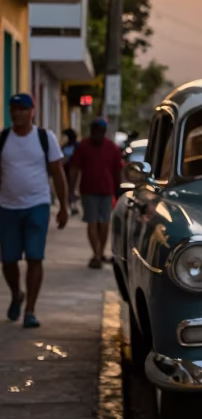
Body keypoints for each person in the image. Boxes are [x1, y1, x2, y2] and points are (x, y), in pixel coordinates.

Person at [1, 94, 69, 328]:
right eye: (14, 109)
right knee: (9, 261)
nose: (17, 113)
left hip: (37, 206)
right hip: (7, 207)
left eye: (22, 109)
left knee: (34, 257)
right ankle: (16, 294)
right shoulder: (3, 138)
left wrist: (64, 206)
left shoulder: (44, 137)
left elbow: (58, 174)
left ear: (32, 112)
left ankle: (30, 309)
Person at [69, 118, 122, 269]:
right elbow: (74, 169)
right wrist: (71, 190)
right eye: (95, 131)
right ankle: (97, 253)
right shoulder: (84, 146)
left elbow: (118, 171)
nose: (97, 134)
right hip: (89, 191)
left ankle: (98, 253)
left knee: (103, 222)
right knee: (94, 222)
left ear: (104, 132)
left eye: (100, 131)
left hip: (105, 191)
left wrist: (118, 191)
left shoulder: (111, 148)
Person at [60, 128, 79, 216]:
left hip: (74, 170)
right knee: (69, 189)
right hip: (67, 170)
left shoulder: (74, 146)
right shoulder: (69, 146)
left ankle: (72, 206)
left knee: (72, 189)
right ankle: (71, 206)